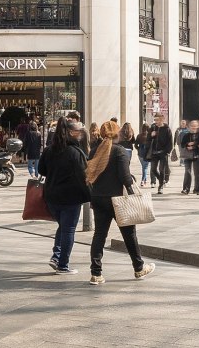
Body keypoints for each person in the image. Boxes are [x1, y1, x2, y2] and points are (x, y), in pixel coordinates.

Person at [85, 120, 155, 286]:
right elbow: (125, 177)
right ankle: (139, 268)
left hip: (98, 198)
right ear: (117, 134)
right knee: (129, 235)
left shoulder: (94, 151)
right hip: (118, 200)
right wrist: (132, 189)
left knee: (99, 235)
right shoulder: (119, 151)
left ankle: (96, 274)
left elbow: (90, 176)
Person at [38, 118, 90, 274]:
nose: (81, 135)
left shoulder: (49, 150)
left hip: (52, 196)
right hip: (71, 197)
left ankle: (56, 256)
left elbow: (41, 170)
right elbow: (83, 176)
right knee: (68, 230)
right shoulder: (75, 153)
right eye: (80, 132)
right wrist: (90, 196)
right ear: (72, 133)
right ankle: (63, 265)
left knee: (63, 227)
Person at [148, 114, 173, 195]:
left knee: (162, 170)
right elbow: (148, 139)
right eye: (155, 120)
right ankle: (161, 180)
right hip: (154, 153)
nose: (156, 122)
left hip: (163, 153)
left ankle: (160, 187)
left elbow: (170, 142)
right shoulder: (153, 128)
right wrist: (151, 135)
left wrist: (167, 151)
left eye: (157, 120)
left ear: (162, 119)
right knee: (153, 169)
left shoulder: (167, 129)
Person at [177, 119, 197, 195]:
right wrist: (187, 144)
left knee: (197, 173)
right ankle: (186, 189)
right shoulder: (186, 134)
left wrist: (194, 146)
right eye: (192, 126)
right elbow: (182, 144)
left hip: (197, 156)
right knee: (187, 172)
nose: (194, 128)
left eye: (195, 126)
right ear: (189, 127)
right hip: (187, 156)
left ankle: (197, 188)